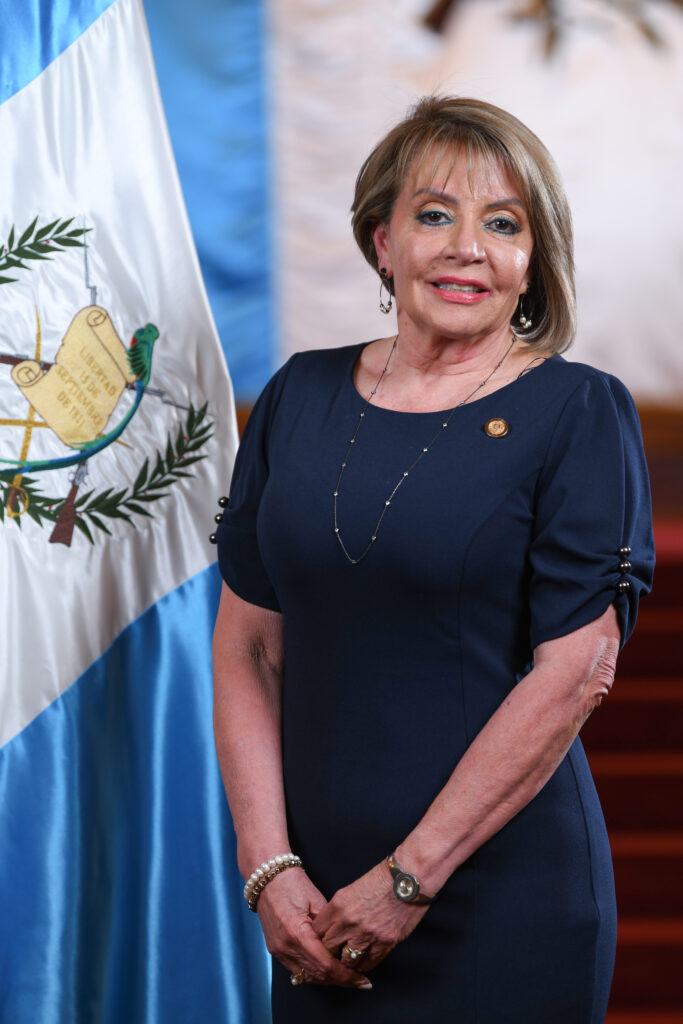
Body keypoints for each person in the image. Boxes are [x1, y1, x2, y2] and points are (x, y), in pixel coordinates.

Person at [210, 96, 654, 1023]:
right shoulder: (297, 394)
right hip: (309, 901)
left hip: (498, 892)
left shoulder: (578, 411)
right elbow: (247, 646)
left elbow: (575, 673)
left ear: (532, 260)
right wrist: (267, 868)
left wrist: (405, 881)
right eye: (435, 214)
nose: (466, 248)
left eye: (503, 224)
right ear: (383, 242)